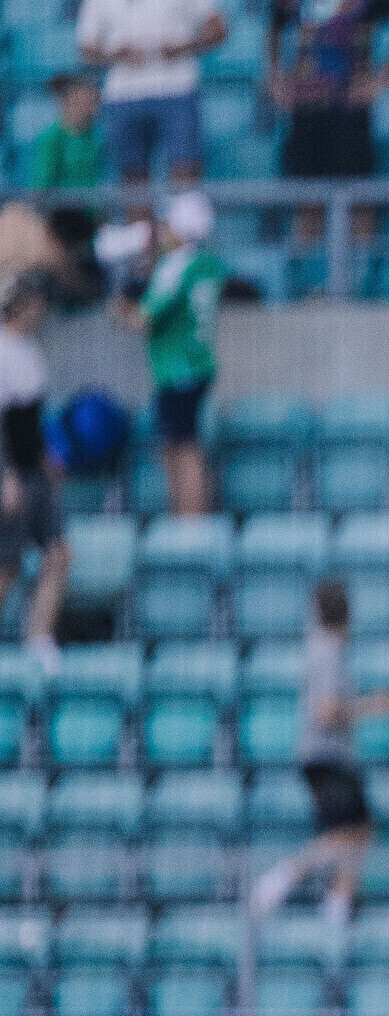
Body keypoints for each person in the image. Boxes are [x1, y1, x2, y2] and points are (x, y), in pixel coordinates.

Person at [251, 577, 389, 925]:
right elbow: (325, 711)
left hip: (330, 756)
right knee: (351, 832)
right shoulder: (328, 652)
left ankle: (338, 903)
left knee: (360, 830)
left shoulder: (327, 650)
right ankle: (289, 876)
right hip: (327, 755)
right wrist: (376, 705)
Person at [269, 0, 389, 249]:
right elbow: (274, 26)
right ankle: (305, 271)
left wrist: (385, 76)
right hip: (307, 111)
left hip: (351, 112)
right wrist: (275, 77)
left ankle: (364, 271)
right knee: (308, 202)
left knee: (359, 200)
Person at [124, 188, 223, 517]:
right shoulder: (207, 264)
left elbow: (143, 319)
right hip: (197, 363)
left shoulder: (175, 267)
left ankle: (189, 523)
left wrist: (120, 306)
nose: (162, 230)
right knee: (180, 445)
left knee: (182, 448)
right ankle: (188, 521)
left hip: (177, 369)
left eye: (167, 224)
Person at [75, 0, 225, 197]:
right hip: (124, 95)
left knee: (185, 175)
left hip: (178, 89)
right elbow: (85, 47)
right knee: (133, 183)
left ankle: (180, 218)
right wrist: (115, 54)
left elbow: (218, 29)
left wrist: (183, 47)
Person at [0, 277, 70, 671]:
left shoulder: (30, 350)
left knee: (58, 554)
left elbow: (32, 418)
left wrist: (46, 456)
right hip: (12, 474)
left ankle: (39, 636)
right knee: (6, 565)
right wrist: (5, 475)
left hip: (34, 470)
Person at [29, 74, 110, 301]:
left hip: (91, 219)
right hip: (64, 219)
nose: (94, 104)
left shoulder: (97, 138)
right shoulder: (52, 139)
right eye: (87, 97)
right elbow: (41, 189)